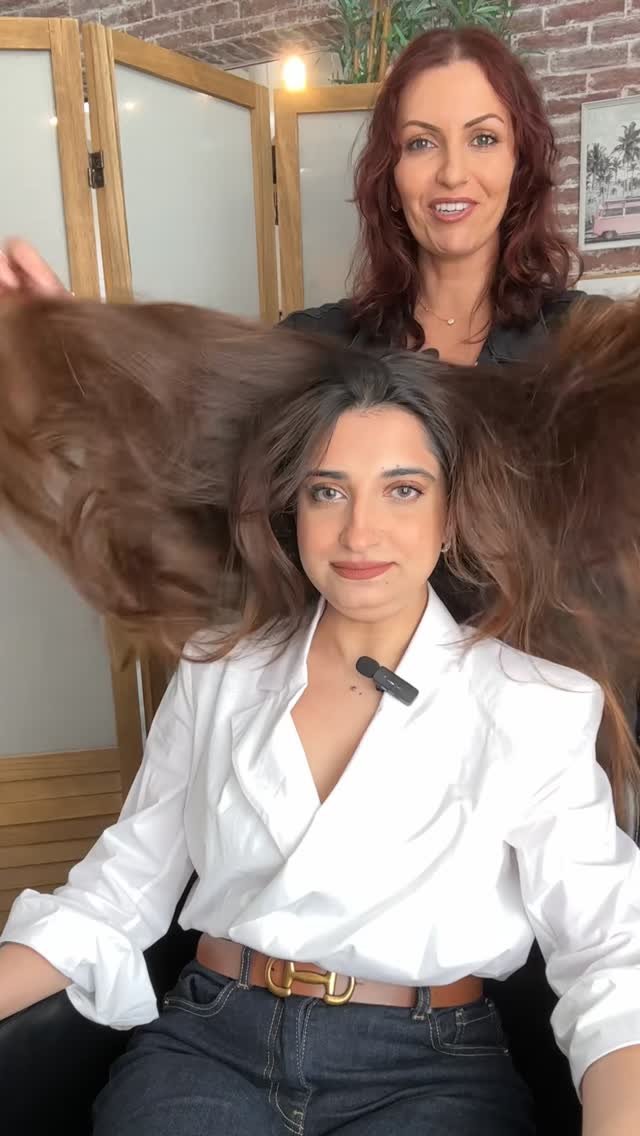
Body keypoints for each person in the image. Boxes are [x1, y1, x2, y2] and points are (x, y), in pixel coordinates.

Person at [0, 294, 639, 1135]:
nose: (359, 533)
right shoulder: (219, 670)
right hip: (213, 1044)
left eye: (402, 490)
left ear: (450, 516)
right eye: (327, 491)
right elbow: (115, 896)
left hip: (429, 1068)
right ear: (293, 512)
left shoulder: (536, 704)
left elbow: (613, 957)